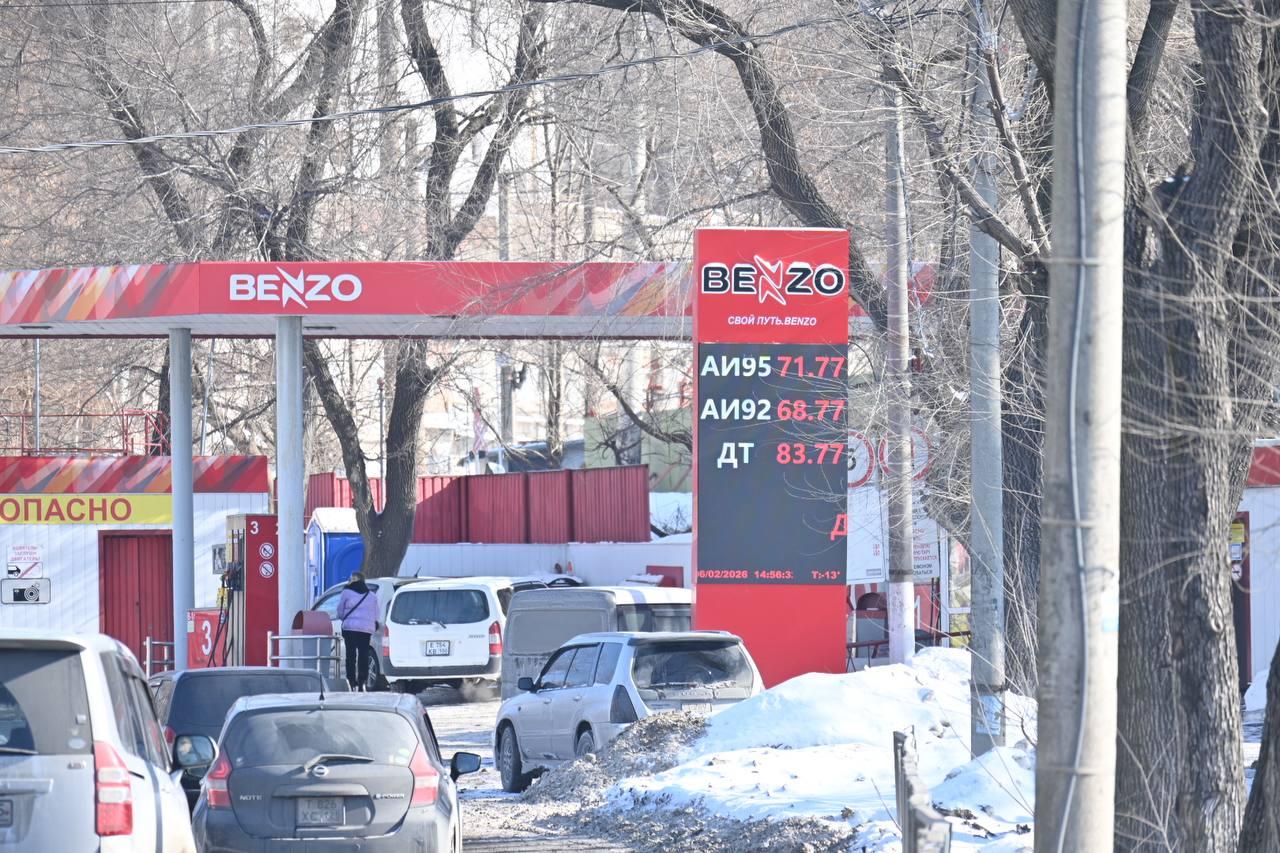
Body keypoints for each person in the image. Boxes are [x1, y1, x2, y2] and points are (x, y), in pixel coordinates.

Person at [336, 572, 378, 691]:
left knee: (351, 655)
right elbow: (376, 614)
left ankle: (351, 681)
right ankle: (362, 682)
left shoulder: (346, 592)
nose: (349, 581)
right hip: (365, 630)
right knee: (363, 655)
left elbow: (340, 611)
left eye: (351, 579)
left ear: (354, 580)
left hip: (350, 629)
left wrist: (346, 618)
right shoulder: (372, 596)